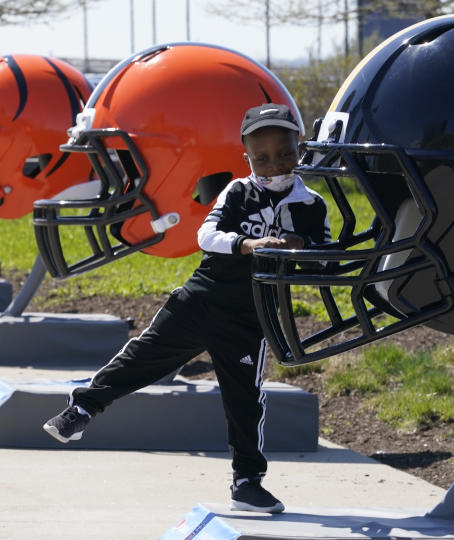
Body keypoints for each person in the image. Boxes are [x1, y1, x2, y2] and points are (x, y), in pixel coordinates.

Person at [42, 103, 329, 514]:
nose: (274, 164)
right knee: (144, 356)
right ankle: (82, 408)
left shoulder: (311, 204)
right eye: (261, 157)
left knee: (245, 400)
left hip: (250, 318)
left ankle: (247, 481)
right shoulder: (238, 191)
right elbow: (206, 235)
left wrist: (302, 247)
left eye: (284, 152)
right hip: (202, 299)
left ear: (298, 148)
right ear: (246, 156)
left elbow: (326, 249)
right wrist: (247, 245)